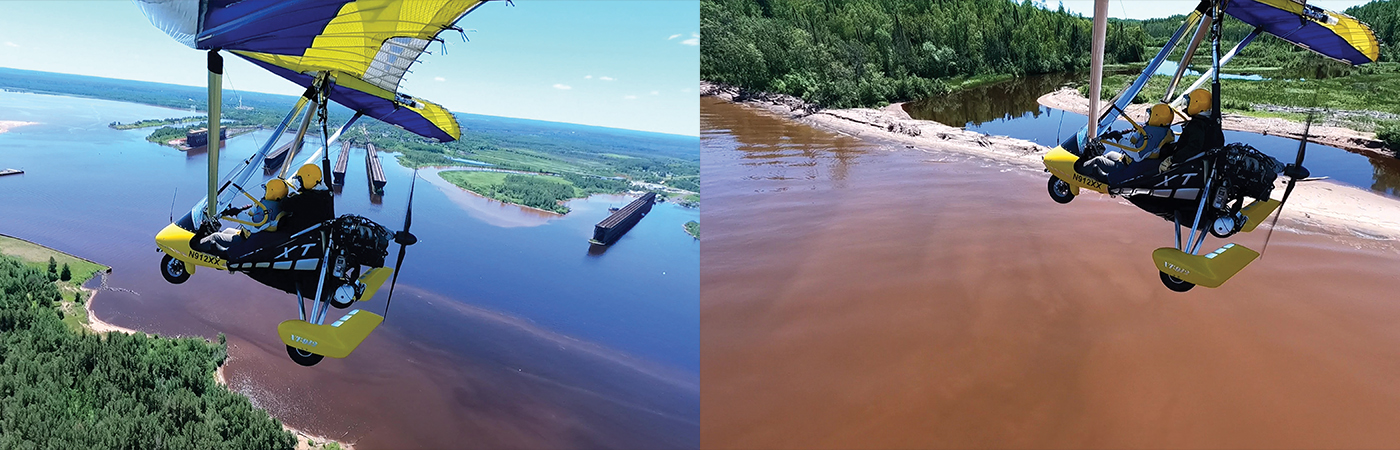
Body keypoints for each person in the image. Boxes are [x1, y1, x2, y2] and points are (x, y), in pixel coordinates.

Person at [1084, 103, 1176, 182]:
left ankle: (1084, 172)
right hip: (1127, 160)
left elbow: (1138, 155)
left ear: (1156, 117)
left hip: (1132, 166)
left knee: (1098, 161)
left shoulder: (1154, 135)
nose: (1148, 117)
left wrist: (1119, 138)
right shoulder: (1163, 132)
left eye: (1150, 115)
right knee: (1110, 154)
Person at [200, 178, 288, 254]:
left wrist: (237, 213)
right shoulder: (276, 206)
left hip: (249, 240)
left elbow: (253, 226)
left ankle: (198, 247)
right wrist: (238, 211)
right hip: (248, 236)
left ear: (271, 192)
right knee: (227, 230)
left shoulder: (266, 210)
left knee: (215, 237)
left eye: (266, 190)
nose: (265, 192)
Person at [1158, 88, 1223, 171]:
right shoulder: (1211, 123)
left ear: (1196, 104)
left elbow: (1193, 147)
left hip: (1189, 165)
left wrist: (1172, 159)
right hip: (1203, 164)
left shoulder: (1197, 125)